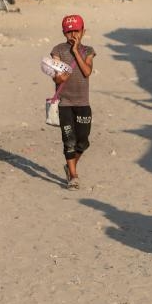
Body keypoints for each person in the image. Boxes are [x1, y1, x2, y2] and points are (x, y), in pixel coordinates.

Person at [50, 14, 95, 189]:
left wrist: (76, 51)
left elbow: (87, 72)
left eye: (76, 30)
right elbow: (56, 78)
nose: (73, 35)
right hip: (65, 104)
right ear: (64, 33)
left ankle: (70, 166)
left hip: (83, 103)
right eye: (69, 32)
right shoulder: (58, 50)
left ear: (83, 31)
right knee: (68, 140)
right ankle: (73, 176)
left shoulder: (88, 50)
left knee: (83, 141)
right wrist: (61, 76)